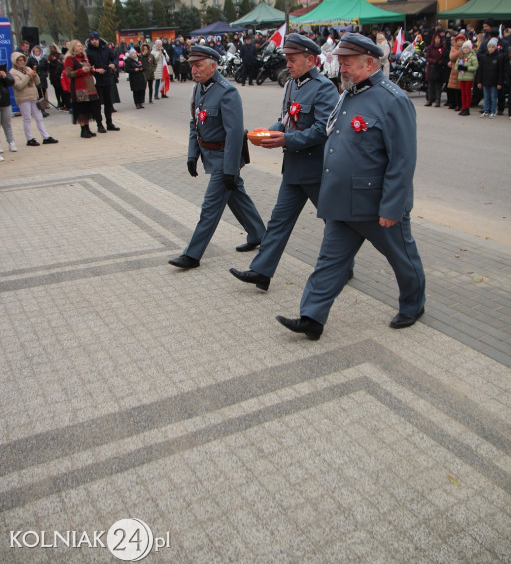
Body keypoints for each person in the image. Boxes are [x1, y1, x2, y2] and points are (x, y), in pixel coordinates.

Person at [275, 33, 425, 341]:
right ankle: (312, 317)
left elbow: (402, 160)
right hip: (343, 201)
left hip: (375, 203)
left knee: (401, 257)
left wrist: (392, 206)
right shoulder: (348, 93)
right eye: (340, 63)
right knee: (329, 261)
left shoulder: (393, 100)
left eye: (347, 64)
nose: (341, 69)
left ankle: (413, 304)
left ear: (370, 63)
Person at [229, 33, 340, 292]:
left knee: (333, 223)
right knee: (279, 220)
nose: (287, 65)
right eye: (286, 60)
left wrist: (286, 140)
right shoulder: (291, 84)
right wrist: (268, 133)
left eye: (292, 60)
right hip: (293, 169)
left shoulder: (324, 87)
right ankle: (261, 271)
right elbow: (286, 120)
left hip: (315, 170)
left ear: (311, 59)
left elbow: (323, 129)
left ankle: (342, 265)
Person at [168, 45, 266, 270]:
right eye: (192, 65)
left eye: (198, 65)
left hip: (225, 157)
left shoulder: (227, 91)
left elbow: (234, 133)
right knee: (235, 195)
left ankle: (192, 255)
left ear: (213, 65)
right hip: (210, 155)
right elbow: (195, 123)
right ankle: (258, 234)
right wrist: (192, 154)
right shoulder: (198, 89)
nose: (194, 69)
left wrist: (230, 169)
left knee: (210, 207)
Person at [10, 52, 58, 146]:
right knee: (27, 118)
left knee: (39, 117)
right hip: (23, 98)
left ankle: (45, 136)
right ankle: (29, 138)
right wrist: (28, 76)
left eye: (23, 59)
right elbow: (19, 86)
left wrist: (35, 76)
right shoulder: (12, 72)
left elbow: (37, 82)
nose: (22, 62)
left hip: (33, 96)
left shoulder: (27, 68)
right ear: (15, 61)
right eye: (19, 60)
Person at [64, 40, 100, 138]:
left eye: (81, 46)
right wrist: (81, 70)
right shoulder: (70, 59)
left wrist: (91, 70)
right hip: (79, 88)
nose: (80, 48)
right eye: (78, 46)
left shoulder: (84, 58)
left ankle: (87, 128)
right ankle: (83, 129)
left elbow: (88, 71)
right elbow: (68, 73)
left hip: (89, 86)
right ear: (73, 48)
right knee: (81, 110)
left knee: (88, 109)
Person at [86, 31, 120, 133]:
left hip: (107, 77)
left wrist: (113, 64)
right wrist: (95, 70)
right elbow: (86, 65)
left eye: (96, 39)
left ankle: (109, 123)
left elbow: (115, 57)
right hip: (96, 80)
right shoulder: (88, 51)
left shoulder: (105, 48)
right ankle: (99, 124)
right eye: (92, 40)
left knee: (108, 102)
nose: (94, 41)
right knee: (97, 103)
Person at [475, 37, 505, 118]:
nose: (491, 49)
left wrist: (500, 83)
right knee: (486, 97)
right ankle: (486, 110)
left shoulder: (499, 57)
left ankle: (493, 111)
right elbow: (480, 70)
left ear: (495, 48)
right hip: (485, 80)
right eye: (489, 47)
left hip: (494, 81)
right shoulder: (484, 57)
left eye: (493, 47)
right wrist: (479, 81)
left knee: (493, 97)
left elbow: (501, 71)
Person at [456, 40, 478, 116]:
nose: (465, 49)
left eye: (467, 48)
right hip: (461, 77)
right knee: (462, 93)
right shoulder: (460, 57)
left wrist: (466, 68)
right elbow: (456, 66)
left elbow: (475, 66)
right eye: (464, 48)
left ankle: (467, 108)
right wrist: (459, 67)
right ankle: (463, 107)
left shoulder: (472, 57)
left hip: (468, 77)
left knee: (467, 93)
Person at [424, 32, 446, 107]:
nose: (437, 40)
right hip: (432, 68)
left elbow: (444, 56)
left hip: (439, 68)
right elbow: (427, 57)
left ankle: (438, 100)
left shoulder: (443, 47)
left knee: (438, 86)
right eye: (436, 38)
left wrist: (440, 61)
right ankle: (430, 100)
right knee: (430, 85)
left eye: (439, 38)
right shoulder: (430, 47)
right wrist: (434, 61)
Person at [0, 61, 16, 155]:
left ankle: (11, 142)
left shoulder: (3, 70)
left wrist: (4, 76)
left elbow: (11, 82)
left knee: (7, 124)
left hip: (5, 101)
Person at [447, 33, 464, 111]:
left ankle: (462, 105)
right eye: (459, 40)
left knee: (461, 89)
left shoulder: (467, 48)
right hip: (454, 71)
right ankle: (455, 104)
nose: (460, 42)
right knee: (455, 89)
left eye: (462, 40)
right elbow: (452, 57)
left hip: (463, 71)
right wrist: (459, 51)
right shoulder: (454, 49)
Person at [48, 44, 64, 109]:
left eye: (52, 48)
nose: (51, 49)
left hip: (59, 75)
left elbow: (58, 64)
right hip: (53, 77)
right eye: (50, 48)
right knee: (57, 91)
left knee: (62, 90)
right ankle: (59, 102)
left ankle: (63, 103)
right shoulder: (49, 56)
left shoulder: (58, 56)